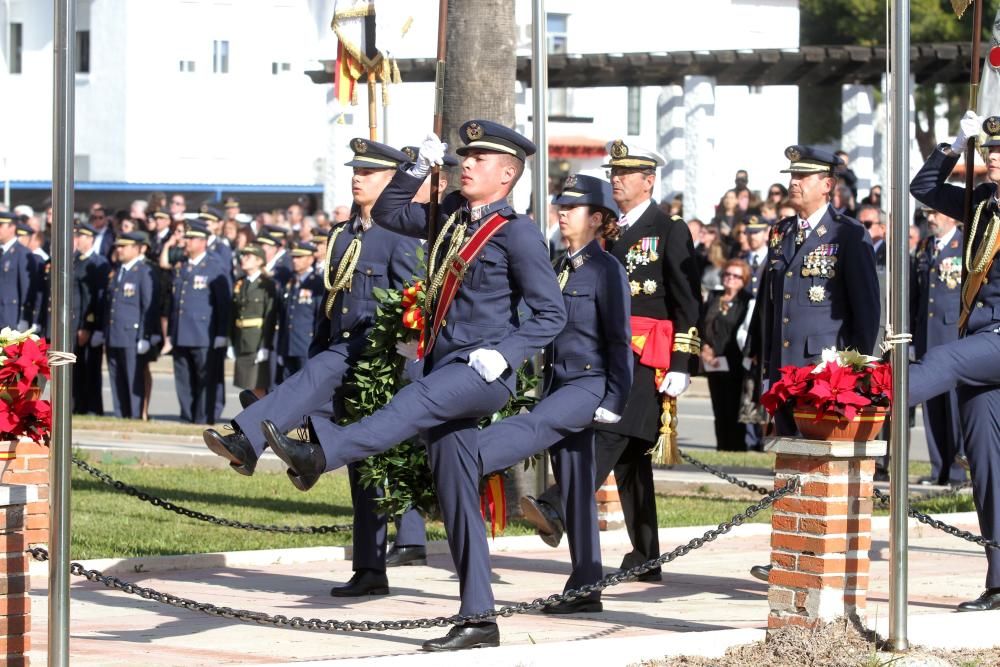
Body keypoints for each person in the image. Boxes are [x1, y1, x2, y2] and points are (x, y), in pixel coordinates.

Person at [261, 121, 565, 651]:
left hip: (480, 372)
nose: (466, 163)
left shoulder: (517, 233)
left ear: (508, 174)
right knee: (457, 496)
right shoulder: (451, 215)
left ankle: (321, 455)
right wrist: (415, 168)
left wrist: (508, 353)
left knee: (412, 403)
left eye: (480, 159)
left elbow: (549, 312)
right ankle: (479, 618)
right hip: (446, 366)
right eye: (464, 155)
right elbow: (389, 213)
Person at [202, 139, 427, 595]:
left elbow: (416, 306)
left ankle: (249, 439)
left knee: (371, 461)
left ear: (393, 181)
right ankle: (369, 569)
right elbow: (333, 302)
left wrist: (403, 364)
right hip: (341, 353)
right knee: (360, 464)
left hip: (379, 360)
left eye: (370, 171)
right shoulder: (344, 234)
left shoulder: (400, 236)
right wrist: (318, 351)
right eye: (356, 170)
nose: (357, 176)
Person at [521, 140, 702, 583]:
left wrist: (681, 361)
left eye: (626, 173)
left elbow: (687, 301)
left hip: (646, 355)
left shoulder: (669, 229)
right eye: (613, 172)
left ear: (649, 181)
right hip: (602, 350)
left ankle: (557, 505)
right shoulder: (607, 229)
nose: (616, 179)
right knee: (632, 457)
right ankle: (646, 555)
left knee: (611, 429)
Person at [474, 174, 632, 614]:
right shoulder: (560, 265)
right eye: (560, 207)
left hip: (588, 384)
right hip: (559, 383)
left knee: (535, 426)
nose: (562, 214)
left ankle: (471, 454)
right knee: (577, 488)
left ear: (597, 218)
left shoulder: (606, 270)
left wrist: (615, 398)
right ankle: (586, 585)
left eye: (573, 208)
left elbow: (619, 339)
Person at [747, 145, 880, 582]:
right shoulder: (781, 231)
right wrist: (762, 357)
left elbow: (865, 309)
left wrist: (855, 369)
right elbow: (771, 301)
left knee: (821, 466)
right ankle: (789, 552)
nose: (794, 183)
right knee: (789, 461)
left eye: (803, 176)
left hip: (823, 371)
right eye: (792, 175)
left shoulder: (848, 234)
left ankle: (818, 553)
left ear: (828, 184)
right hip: (784, 367)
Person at [906, 112, 1000, 611]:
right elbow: (923, 187)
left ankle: (871, 397)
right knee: (987, 468)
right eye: (989, 150)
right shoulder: (982, 201)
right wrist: (954, 143)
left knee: (941, 359)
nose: (992, 158)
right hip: (981, 336)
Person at [910, 208, 966, 486]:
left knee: (954, 406)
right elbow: (916, 295)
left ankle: (957, 472)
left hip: (953, 335)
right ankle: (939, 470)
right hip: (927, 335)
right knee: (932, 405)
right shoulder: (924, 247)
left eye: (936, 212)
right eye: (927, 213)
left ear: (952, 217)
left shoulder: (965, 244)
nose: (930, 218)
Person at [168, 219, 232, 424]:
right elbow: (176, 303)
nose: (186, 242)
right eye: (186, 238)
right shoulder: (183, 267)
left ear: (203, 241)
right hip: (181, 333)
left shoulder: (214, 266)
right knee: (184, 380)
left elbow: (224, 303)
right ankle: (187, 417)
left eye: (191, 238)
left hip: (204, 333)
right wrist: (171, 332)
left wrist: (222, 333)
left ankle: (203, 419)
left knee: (206, 381)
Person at [104, 231, 158, 419]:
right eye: (118, 246)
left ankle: (135, 415)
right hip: (115, 332)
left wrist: (145, 335)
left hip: (132, 334)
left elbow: (147, 305)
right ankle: (121, 414)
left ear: (136, 248)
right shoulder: (119, 271)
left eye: (123, 246)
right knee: (116, 377)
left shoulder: (143, 272)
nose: (119, 250)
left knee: (133, 378)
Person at [701, 259, 753, 451]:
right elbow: (701, 325)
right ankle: (721, 447)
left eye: (736, 276)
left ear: (744, 280)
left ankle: (737, 448)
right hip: (713, 362)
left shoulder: (747, 301)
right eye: (727, 274)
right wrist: (704, 349)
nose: (730, 278)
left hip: (736, 362)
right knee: (719, 408)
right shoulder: (714, 297)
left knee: (734, 409)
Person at [70, 222, 109, 415]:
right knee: (77, 370)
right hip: (76, 321)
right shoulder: (76, 260)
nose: (77, 240)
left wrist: (89, 325)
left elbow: (94, 298)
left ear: (90, 239)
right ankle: (79, 406)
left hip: (88, 323)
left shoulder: (98, 262)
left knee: (90, 369)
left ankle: (93, 407)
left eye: (81, 236)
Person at [229, 245, 276, 400]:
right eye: (243, 256)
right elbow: (234, 314)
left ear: (258, 261)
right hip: (241, 339)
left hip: (256, 340)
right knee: (246, 384)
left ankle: (260, 417)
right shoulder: (240, 283)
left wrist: (265, 345)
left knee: (258, 384)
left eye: (248, 256)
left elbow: (270, 317)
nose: (243, 259)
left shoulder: (266, 284)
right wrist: (231, 342)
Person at [275, 241, 323, 382]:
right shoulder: (291, 282)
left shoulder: (317, 283)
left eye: (299, 257)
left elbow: (319, 317)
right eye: (294, 257)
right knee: (287, 385)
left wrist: (318, 347)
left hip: (306, 345)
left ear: (310, 259)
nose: (295, 261)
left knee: (306, 386)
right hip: (289, 345)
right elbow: (284, 316)